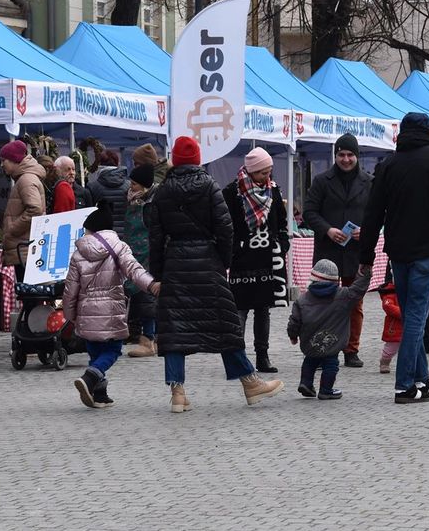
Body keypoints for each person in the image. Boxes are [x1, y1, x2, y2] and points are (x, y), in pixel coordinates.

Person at [146, 136, 283, 412]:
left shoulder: (162, 191)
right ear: (197, 159)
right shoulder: (209, 186)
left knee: (173, 330)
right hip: (207, 262)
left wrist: (158, 274)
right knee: (226, 326)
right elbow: (225, 228)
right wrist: (222, 261)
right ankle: (249, 381)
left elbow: (156, 237)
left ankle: (178, 393)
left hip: (175, 263)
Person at [359, 113, 429, 404]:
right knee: (417, 317)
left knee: (411, 314)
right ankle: (404, 385)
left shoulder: (388, 164)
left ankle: (421, 379)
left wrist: (366, 252)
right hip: (428, 250)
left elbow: (373, 212)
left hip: (399, 251)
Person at [64, 204, 159, 408]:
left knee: (96, 351)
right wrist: (151, 285)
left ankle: (99, 394)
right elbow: (134, 271)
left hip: (86, 311)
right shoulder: (119, 247)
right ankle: (91, 377)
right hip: (111, 309)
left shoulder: (78, 253)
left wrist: (70, 314)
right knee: (113, 349)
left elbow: (70, 289)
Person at [302, 133, 373, 367]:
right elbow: (309, 213)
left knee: (355, 303)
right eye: (341, 154)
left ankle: (352, 350)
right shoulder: (322, 181)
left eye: (350, 155)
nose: (345, 159)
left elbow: (378, 214)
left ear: (357, 157)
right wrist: (328, 230)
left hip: (356, 252)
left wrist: (367, 230)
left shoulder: (369, 182)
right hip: (328, 252)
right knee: (323, 302)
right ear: (335, 156)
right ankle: (323, 348)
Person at [222, 147, 290, 373]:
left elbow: (281, 220)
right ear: (250, 172)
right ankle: (236, 356)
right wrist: (230, 251)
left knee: (263, 308)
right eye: (262, 173)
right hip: (242, 256)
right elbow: (225, 225)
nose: (266, 177)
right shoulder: (232, 193)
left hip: (266, 256)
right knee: (240, 308)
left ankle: (262, 355)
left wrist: (282, 243)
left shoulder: (273, 190)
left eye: (269, 172)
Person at [287, 259, 371, 399]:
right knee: (331, 365)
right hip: (333, 342)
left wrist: (293, 335)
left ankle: (306, 383)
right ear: (335, 280)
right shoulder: (343, 296)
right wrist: (365, 274)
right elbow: (358, 289)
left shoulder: (302, 300)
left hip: (310, 342)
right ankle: (326, 389)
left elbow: (294, 321)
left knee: (310, 360)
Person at [125, 164, 159, 357]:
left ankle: (148, 340)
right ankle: (151, 338)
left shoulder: (150, 203)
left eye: (134, 183)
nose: (131, 186)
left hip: (148, 254)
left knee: (147, 297)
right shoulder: (133, 200)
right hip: (134, 253)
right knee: (140, 297)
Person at [0, 140, 46, 281]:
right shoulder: (26, 178)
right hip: (26, 248)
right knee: (30, 297)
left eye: (4, 160)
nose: (2, 165)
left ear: (14, 159)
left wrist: (13, 229)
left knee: (29, 297)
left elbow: (35, 209)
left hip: (24, 249)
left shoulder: (26, 179)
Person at [86, 149, 130, 235]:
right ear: (118, 163)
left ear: (100, 165)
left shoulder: (92, 187)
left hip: (101, 237)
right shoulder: (129, 186)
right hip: (124, 235)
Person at [378, 275, 402, 374]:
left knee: (411, 349)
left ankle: (409, 365)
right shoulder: (389, 293)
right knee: (390, 348)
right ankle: (384, 362)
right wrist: (403, 313)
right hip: (394, 326)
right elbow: (388, 306)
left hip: (409, 324)